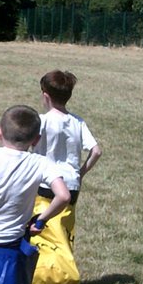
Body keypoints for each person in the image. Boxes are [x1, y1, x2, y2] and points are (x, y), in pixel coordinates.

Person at [0, 105, 71, 243]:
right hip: (15, 243)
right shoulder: (42, 163)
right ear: (36, 140)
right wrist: (41, 220)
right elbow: (63, 196)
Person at [33, 69, 101, 204]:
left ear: (46, 96)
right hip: (71, 185)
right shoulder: (78, 121)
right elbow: (96, 151)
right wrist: (80, 174)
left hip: (46, 184)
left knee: (40, 223)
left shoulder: (41, 121)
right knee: (64, 225)